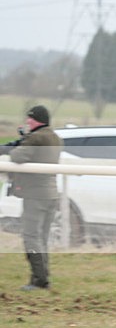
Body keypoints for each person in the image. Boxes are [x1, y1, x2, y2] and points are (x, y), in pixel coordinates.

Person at [0, 105, 63, 290]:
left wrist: (21, 141)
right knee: (41, 237)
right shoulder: (55, 137)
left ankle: (39, 280)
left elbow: (18, 156)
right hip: (50, 194)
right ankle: (43, 276)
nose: (28, 121)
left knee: (30, 237)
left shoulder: (36, 137)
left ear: (39, 120)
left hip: (35, 195)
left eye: (31, 119)